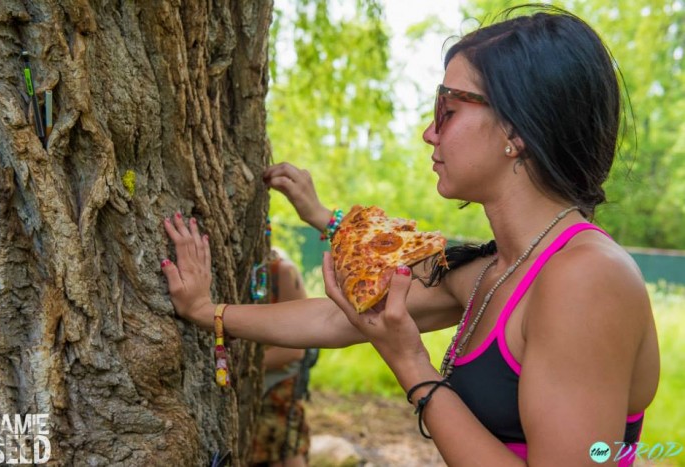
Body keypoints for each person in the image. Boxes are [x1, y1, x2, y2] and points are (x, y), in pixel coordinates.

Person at [161, 5, 659, 466]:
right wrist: (210, 312)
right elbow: (343, 318)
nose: (428, 131)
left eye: (448, 108)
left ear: (518, 129)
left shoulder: (585, 279)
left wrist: (412, 367)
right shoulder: (495, 267)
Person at [249, 248, 312, 467]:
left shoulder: (282, 271)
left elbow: (294, 350)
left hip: (279, 385)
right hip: (252, 384)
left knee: (283, 449)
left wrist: (242, 369)